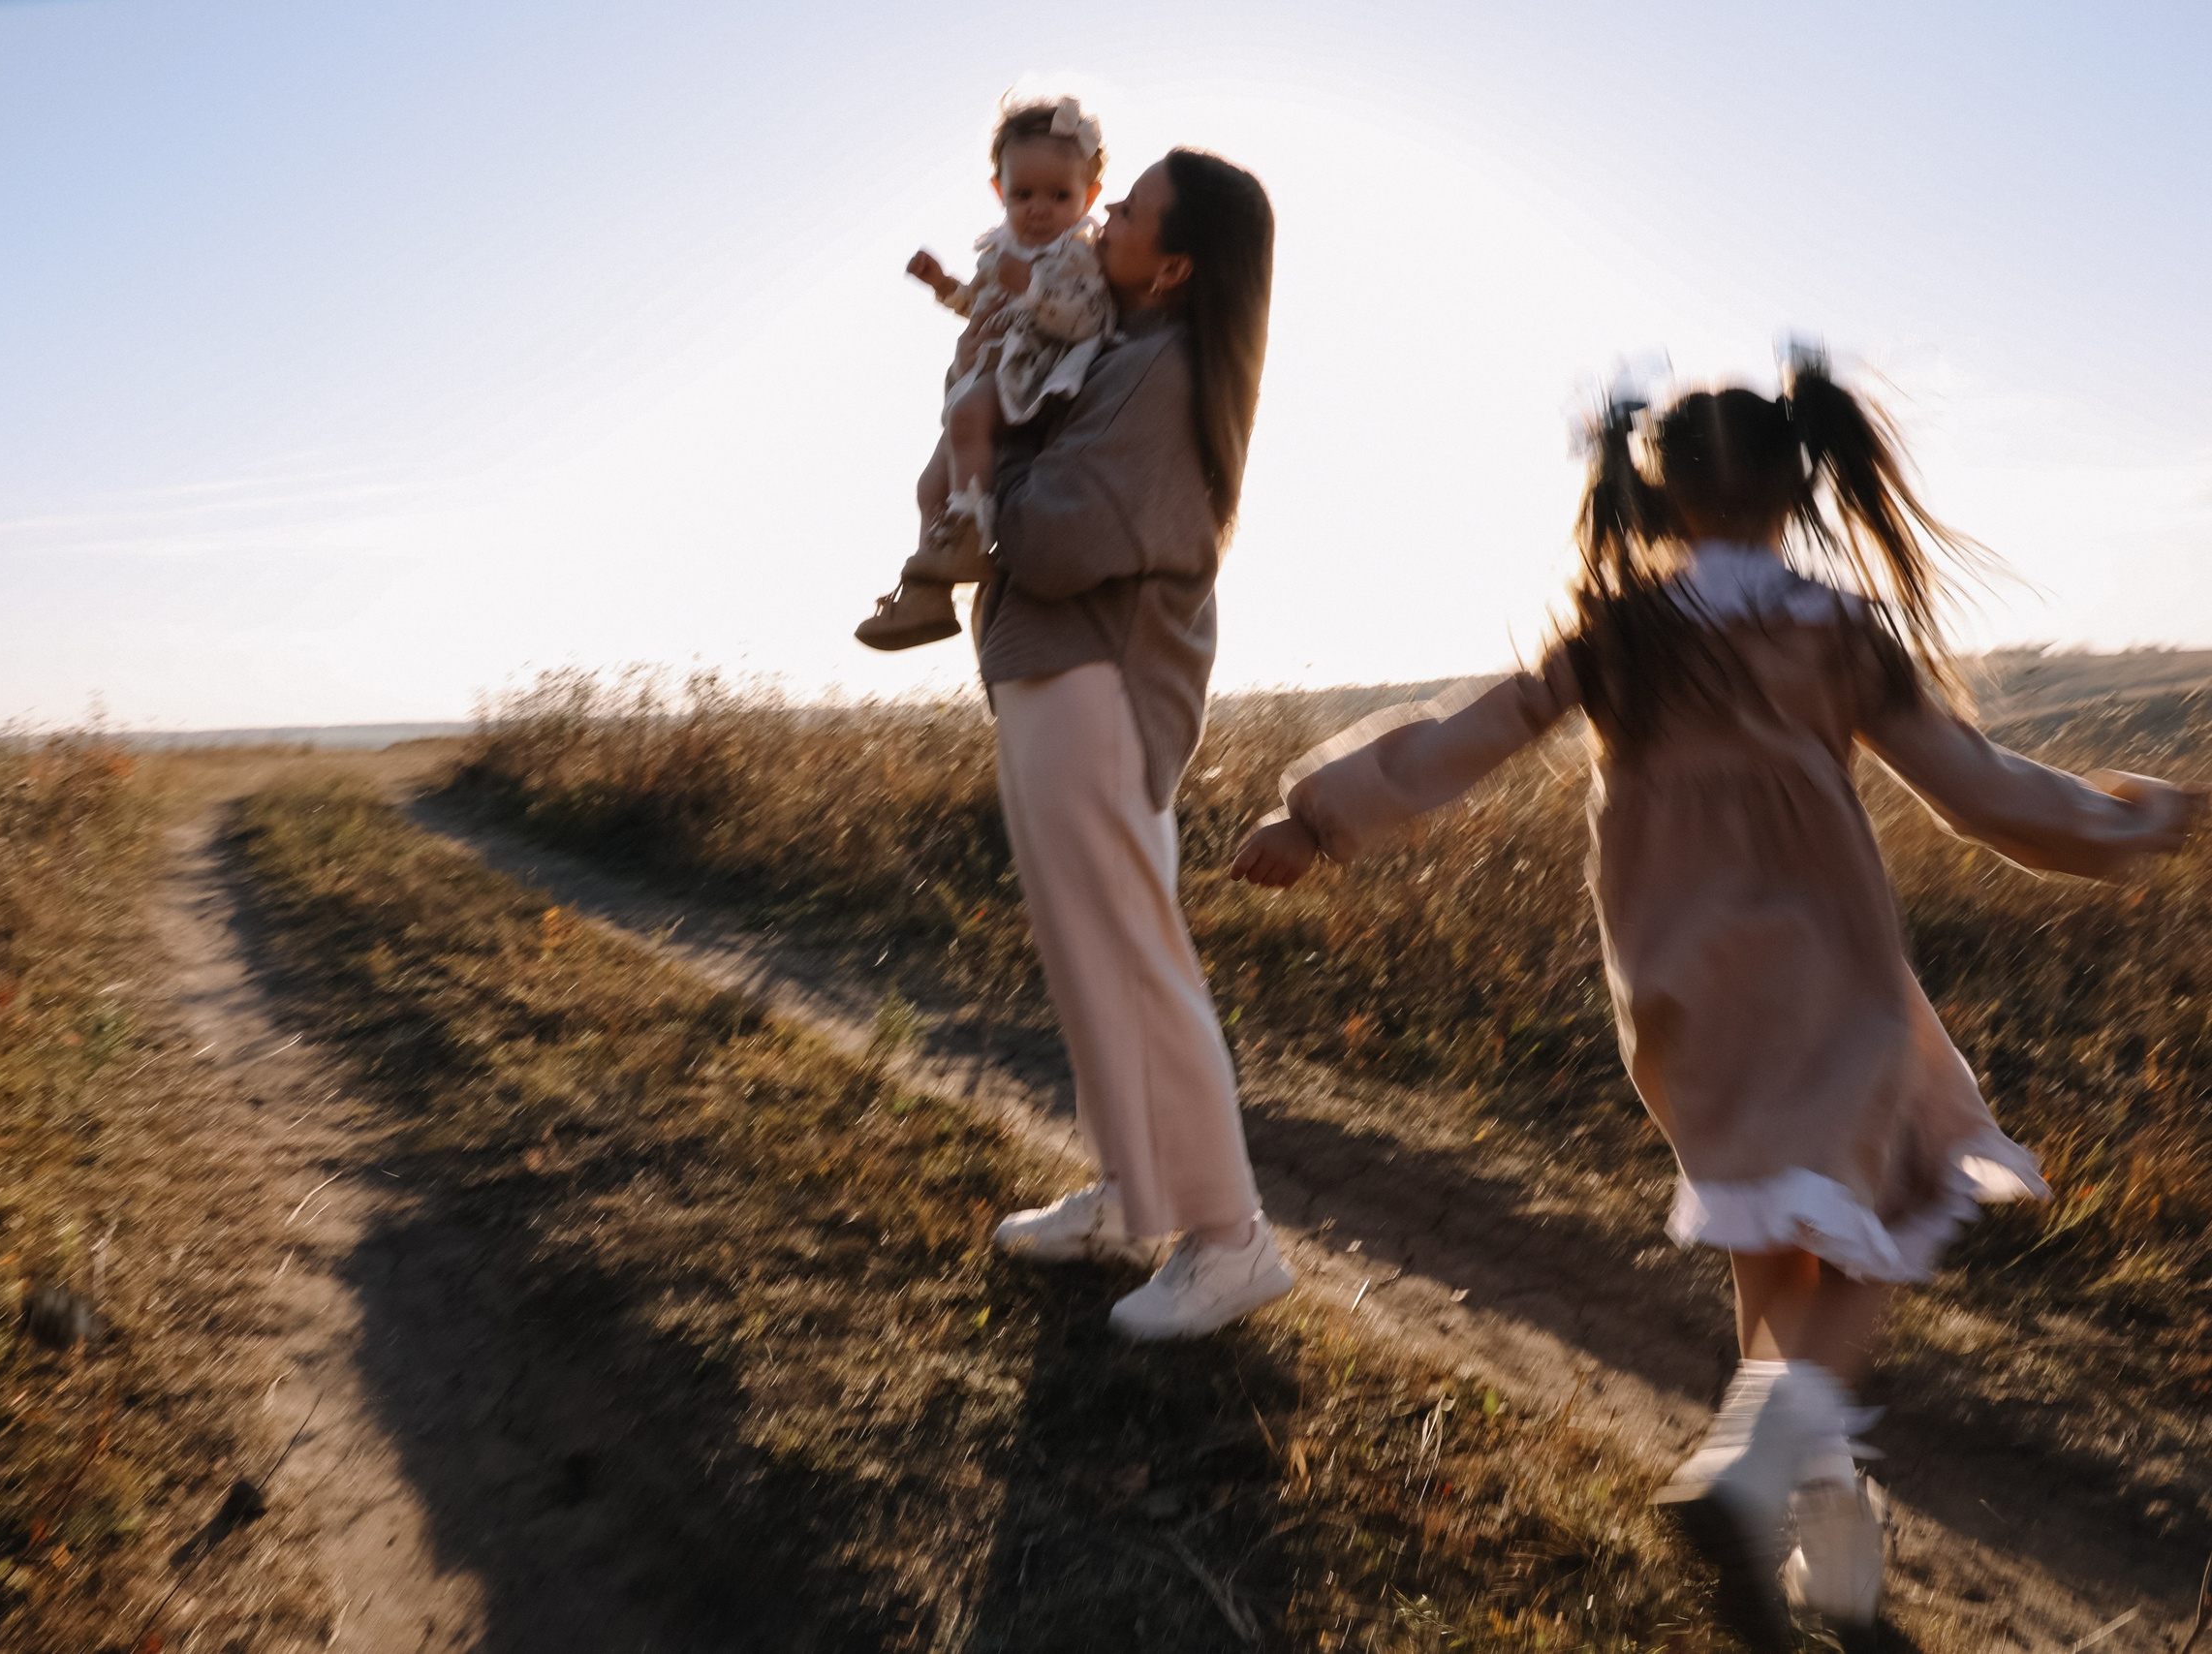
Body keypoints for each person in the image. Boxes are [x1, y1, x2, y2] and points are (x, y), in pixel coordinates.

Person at [1230, 353, 2201, 1651]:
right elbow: (1983, 792)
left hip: (1679, 987)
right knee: (1906, 1189)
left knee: (1777, 1241)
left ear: (1654, 490)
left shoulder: (1616, 630)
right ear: (1805, 486)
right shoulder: (1836, 634)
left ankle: (1835, 1554)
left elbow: (1455, 737)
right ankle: (1755, 1468)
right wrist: (2141, 817)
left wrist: (1313, 816)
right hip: (1830, 978)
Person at [976, 147, 1292, 1341]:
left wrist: (989, 475)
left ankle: (1229, 1239)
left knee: (1139, 972)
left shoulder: (1162, 373)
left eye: (1127, 208)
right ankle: (1126, 1202)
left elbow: (1055, 541)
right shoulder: (1130, 354)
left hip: (1099, 696)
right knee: (1090, 963)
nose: (1099, 217)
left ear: (1170, 268)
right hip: (1063, 685)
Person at [856, 96, 1117, 652]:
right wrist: (943, 284)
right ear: (1000, 190)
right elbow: (978, 304)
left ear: (1088, 198)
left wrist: (1033, 288)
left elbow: (1089, 318)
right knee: (928, 485)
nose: (1039, 209)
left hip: (1028, 378)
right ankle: (927, 596)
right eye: (1023, 194)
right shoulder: (1001, 253)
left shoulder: (1075, 256)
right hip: (979, 381)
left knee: (969, 415)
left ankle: (972, 529)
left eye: (1059, 195)